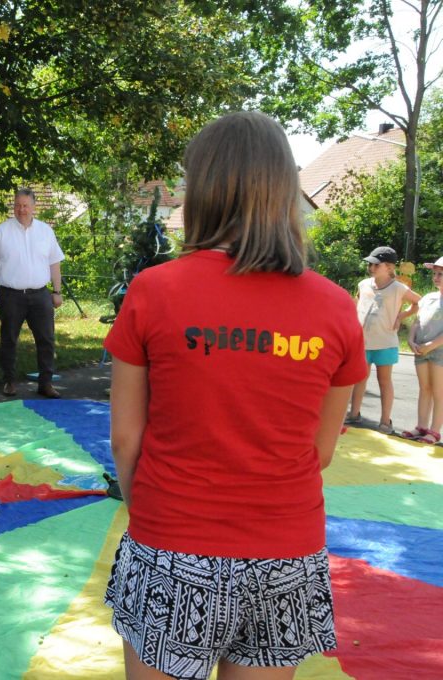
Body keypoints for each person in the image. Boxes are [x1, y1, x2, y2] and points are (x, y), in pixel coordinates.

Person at [103, 111, 367, 680]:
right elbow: (320, 451)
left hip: (173, 544)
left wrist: (147, 513)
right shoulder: (335, 307)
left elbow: (126, 437)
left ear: (205, 187)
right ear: (282, 191)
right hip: (286, 556)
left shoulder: (154, 290)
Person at [0, 188, 65, 398]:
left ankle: (45, 383)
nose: (21, 209)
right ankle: (9, 381)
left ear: (34, 207)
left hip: (41, 295)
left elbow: (54, 262)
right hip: (11, 295)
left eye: (26, 205)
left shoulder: (46, 231)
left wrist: (56, 291)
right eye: (18, 205)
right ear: (14, 207)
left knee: (46, 338)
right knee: (9, 339)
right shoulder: (2, 231)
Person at [345, 246, 421, 434]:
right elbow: (358, 301)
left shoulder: (398, 288)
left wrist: (400, 316)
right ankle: (354, 413)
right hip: (363, 341)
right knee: (359, 378)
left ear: (388, 267)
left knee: (384, 380)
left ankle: (385, 420)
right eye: (370, 264)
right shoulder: (364, 284)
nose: (371, 267)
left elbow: (418, 302)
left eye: (376, 265)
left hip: (385, 342)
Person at [399, 255, 443, 443]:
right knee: (424, 388)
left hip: (438, 351)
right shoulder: (428, 298)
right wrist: (410, 339)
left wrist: (431, 345)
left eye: (441, 274)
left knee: (438, 391)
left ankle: (434, 430)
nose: (436, 277)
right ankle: (422, 425)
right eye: (435, 273)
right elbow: (417, 322)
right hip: (420, 349)